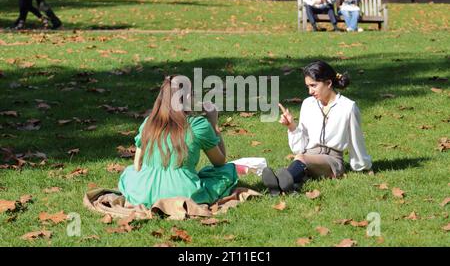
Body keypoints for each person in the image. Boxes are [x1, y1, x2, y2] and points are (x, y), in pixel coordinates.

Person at [118, 76, 238, 208]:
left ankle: (144, 196)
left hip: (144, 193)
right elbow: (220, 162)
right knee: (227, 171)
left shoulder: (148, 123)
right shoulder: (198, 126)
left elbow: (137, 165)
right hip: (183, 193)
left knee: (129, 172)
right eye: (193, 93)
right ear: (186, 98)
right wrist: (213, 123)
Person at [262, 61, 372, 195]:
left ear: (329, 83)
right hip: (308, 155)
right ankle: (285, 187)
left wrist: (362, 166)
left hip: (332, 161)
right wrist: (292, 127)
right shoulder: (308, 104)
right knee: (301, 161)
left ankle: (279, 182)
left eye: (313, 86)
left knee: (301, 159)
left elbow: (356, 140)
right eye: (308, 86)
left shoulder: (348, 107)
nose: (310, 91)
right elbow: (300, 147)